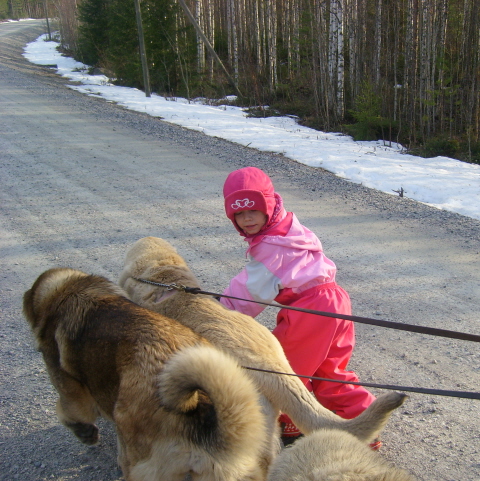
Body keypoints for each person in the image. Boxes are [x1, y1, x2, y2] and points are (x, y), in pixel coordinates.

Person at [220, 166, 379, 447]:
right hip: (335, 300)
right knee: (330, 371)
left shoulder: (271, 248)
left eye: (253, 212)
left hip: (311, 310)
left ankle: (291, 424)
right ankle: (363, 424)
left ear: (268, 208)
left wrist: (220, 311)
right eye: (238, 214)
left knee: (284, 370)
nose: (246, 220)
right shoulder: (289, 228)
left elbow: (249, 291)